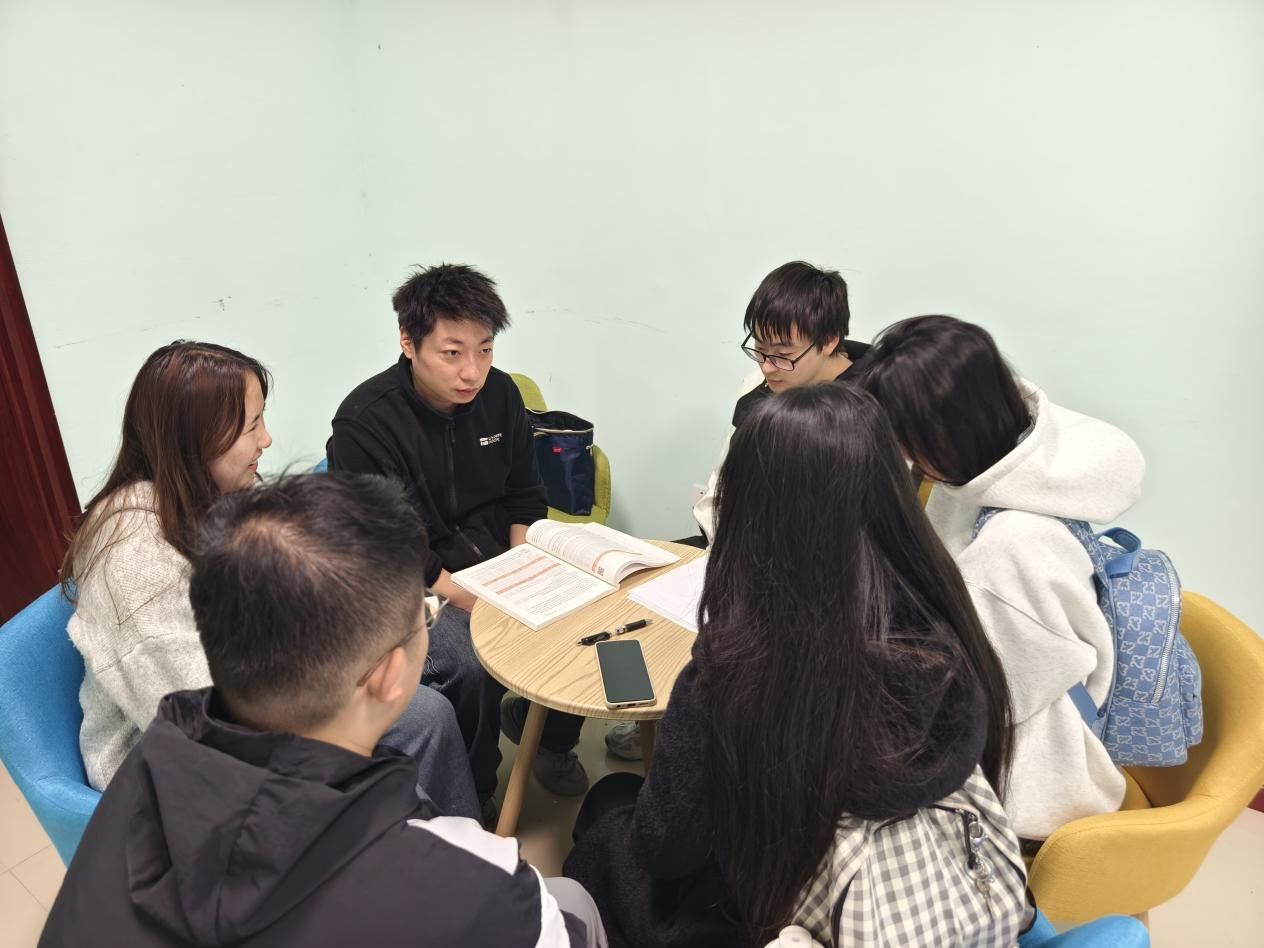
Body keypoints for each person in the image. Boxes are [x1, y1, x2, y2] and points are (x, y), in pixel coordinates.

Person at [41, 473, 608, 948]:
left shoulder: (142, 772)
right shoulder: (486, 889)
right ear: (388, 674)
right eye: (426, 615)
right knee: (575, 900)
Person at [564, 384, 1025, 948]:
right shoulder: (948, 625)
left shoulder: (735, 669)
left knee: (606, 808)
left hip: (770, 921)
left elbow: (666, 849)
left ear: (751, 513)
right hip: (930, 894)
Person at [61, 341, 476, 819]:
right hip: (179, 763)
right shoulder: (133, 557)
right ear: (194, 438)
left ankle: (453, 845)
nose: (267, 439)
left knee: (428, 713)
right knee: (390, 764)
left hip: (270, 695)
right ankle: (413, 848)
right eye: (251, 425)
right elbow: (202, 724)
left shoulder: (218, 492)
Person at [852, 315, 1138, 840]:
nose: (905, 457)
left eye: (907, 440)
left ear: (947, 432)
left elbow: (968, 701)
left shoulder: (1011, 546)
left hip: (1031, 780)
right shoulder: (1026, 457)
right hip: (1018, 707)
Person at [328, 264, 588, 804]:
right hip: (414, 580)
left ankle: (548, 736)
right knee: (468, 662)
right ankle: (476, 790)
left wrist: (523, 569)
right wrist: (471, 599)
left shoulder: (501, 395)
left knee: (585, 609)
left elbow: (525, 494)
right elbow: (388, 546)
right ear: (408, 342)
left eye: (485, 350)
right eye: (452, 353)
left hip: (495, 561)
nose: (472, 371)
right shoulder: (364, 422)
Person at [609, 260, 869, 764]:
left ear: (830, 340)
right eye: (760, 350)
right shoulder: (764, 385)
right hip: (730, 544)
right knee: (628, 586)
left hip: (806, 577)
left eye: (783, 355)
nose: (768, 367)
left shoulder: (865, 410)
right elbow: (726, 478)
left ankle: (680, 726)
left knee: (729, 638)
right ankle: (587, 727)